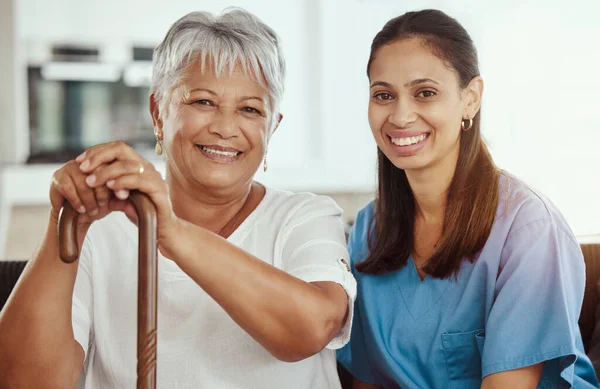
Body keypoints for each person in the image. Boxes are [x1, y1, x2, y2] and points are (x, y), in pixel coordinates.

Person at [0, 8, 356, 389]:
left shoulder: (305, 217)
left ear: (273, 127)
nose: (224, 127)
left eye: (250, 109)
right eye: (202, 102)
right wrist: (65, 221)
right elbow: (25, 381)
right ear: (157, 113)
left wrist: (170, 231)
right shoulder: (100, 230)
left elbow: (311, 329)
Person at [336, 9, 599, 389]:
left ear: (470, 99)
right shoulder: (367, 230)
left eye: (425, 93)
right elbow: (368, 380)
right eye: (383, 95)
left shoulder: (528, 228)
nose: (401, 115)